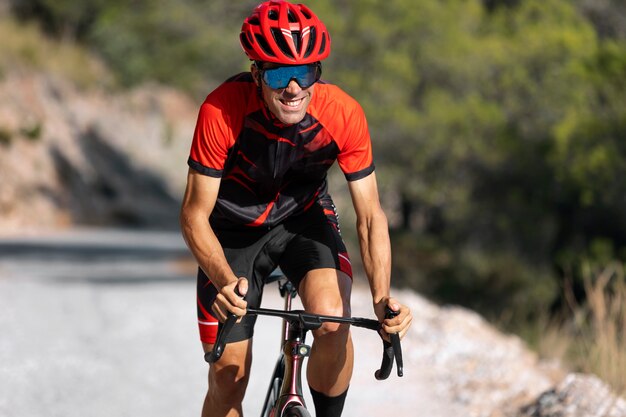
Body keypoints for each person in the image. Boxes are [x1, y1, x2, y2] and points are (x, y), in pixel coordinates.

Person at [180, 1, 413, 416]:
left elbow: (371, 215)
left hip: (303, 219)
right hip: (232, 233)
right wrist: (222, 278)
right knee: (227, 380)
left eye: (304, 73)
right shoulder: (222, 110)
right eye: (278, 73)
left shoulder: (342, 113)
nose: (293, 88)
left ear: (317, 73)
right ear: (256, 73)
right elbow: (194, 216)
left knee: (330, 318)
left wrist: (381, 298)